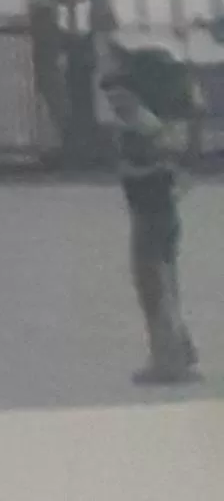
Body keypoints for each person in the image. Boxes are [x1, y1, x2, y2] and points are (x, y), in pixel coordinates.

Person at [103, 53, 200, 386]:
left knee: (152, 283)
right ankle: (179, 348)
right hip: (159, 210)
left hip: (150, 212)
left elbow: (150, 160)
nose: (114, 102)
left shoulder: (143, 126)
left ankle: (168, 358)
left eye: (120, 95)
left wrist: (139, 165)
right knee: (164, 280)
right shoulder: (162, 122)